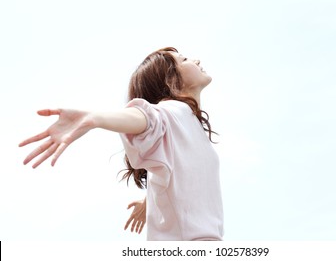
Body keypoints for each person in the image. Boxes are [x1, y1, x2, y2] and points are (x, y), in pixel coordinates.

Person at [19, 47, 224, 241]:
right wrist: (94, 118)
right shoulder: (174, 111)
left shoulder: (184, 123)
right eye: (185, 60)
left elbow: (177, 174)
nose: (196, 60)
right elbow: (146, 117)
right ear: (171, 79)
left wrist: (151, 200)